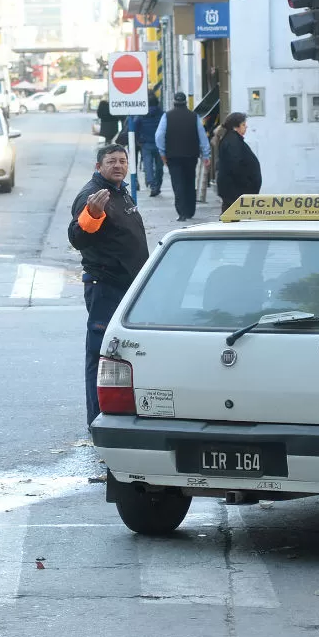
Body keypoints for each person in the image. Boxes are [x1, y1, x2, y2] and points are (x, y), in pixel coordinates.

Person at [67, 144, 148, 427]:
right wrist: (93, 215)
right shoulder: (93, 195)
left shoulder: (119, 191)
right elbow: (78, 237)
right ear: (98, 166)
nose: (118, 165)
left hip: (127, 287)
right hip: (106, 285)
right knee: (100, 354)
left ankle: (120, 413)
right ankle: (97, 420)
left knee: (124, 352)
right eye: (111, 161)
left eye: (122, 161)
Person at [156, 92, 211, 221]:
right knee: (189, 182)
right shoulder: (194, 116)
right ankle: (190, 210)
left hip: (173, 156)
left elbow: (159, 136)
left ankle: (181, 212)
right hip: (191, 155)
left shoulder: (167, 116)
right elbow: (203, 137)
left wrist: (162, 152)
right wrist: (206, 154)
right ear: (186, 102)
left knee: (177, 183)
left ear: (174, 102)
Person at [215, 112, 261, 212]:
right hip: (235, 190)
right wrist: (248, 183)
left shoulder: (233, 139)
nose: (246, 127)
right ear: (235, 127)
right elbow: (236, 166)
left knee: (231, 216)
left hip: (234, 189)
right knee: (232, 217)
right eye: (243, 125)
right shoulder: (232, 142)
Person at [138, 93, 164, 196]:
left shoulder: (141, 114)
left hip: (146, 144)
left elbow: (135, 126)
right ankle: (158, 185)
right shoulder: (162, 114)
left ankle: (152, 185)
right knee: (159, 166)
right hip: (160, 144)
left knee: (148, 165)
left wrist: (139, 139)